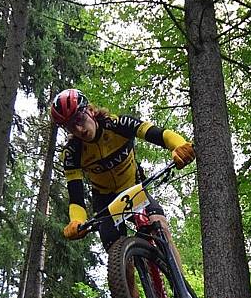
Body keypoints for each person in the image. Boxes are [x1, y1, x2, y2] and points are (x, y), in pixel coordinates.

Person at [50, 88, 195, 263]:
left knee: (160, 226)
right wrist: (77, 221)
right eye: (71, 126)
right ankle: (126, 288)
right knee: (118, 261)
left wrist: (179, 145)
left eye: (79, 119)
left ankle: (180, 286)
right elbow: (76, 197)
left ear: (89, 110)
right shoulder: (72, 152)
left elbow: (159, 134)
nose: (79, 129)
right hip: (106, 204)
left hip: (134, 191)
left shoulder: (118, 124)